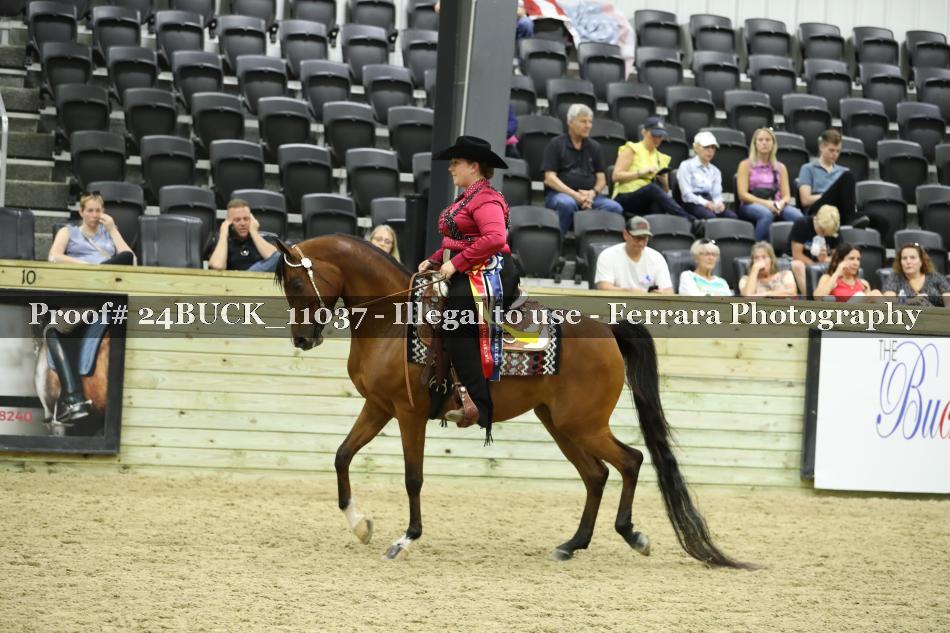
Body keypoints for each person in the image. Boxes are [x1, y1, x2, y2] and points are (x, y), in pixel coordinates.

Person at [417, 136, 519, 442]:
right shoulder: (468, 198)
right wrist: (435, 259)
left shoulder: (486, 199)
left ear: (474, 166)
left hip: (491, 272)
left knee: (456, 325)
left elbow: (494, 239)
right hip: (470, 270)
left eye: (455, 163)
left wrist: (456, 264)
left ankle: (478, 404)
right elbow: (459, 239)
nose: (450, 168)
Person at [542, 103, 623, 233]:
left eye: (590, 122)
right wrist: (575, 195)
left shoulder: (595, 147)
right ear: (570, 122)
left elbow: (602, 179)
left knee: (614, 208)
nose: (588, 126)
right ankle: (558, 240)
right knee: (566, 204)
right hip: (560, 194)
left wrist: (592, 193)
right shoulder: (556, 144)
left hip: (589, 197)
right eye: (583, 121)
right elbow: (549, 178)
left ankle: (592, 240)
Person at [611, 116, 689, 219]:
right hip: (626, 196)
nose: (657, 139)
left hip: (647, 199)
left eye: (660, 136)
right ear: (644, 132)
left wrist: (664, 182)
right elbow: (616, 176)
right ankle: (689, 219)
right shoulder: (632, 149)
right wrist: (640, 173)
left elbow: (664, 192)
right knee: (652, 188)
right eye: (654, 135)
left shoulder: (661, 158)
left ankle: (661, 227)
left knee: (658, 201)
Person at [736, 127, 804, 241]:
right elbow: (742, 195)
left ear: (773, 144)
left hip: (776, 204)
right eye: (760, 140)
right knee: (766, 214)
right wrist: (767, 204)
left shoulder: (781, 167)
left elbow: (786, 196)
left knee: (799, 217)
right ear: (755, 144)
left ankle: (794, 248)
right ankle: (758, 248)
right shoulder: (745, 165)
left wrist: (779, 205)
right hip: (751, 204)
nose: (764, 143)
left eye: (768, 140)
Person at [798, 129, 867, 227]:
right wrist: (827, 195)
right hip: (818, 210)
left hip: (839, 210)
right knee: (848, 176)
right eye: (831, 150)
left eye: (838, 151)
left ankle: (850, 218)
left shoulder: (843, 171)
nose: (835, 154)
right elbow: (805, 200)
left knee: (878, 220)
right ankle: (850, 218)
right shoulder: (808, 168)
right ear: (821, 147)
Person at [48, 193, 136, 266]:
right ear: (81, 212)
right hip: (81, 273)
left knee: (127, 255)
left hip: (107, 274)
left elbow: (133, 261)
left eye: (98, 210)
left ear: (103, 211)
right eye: (90, 211)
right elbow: (53, 257)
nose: (94, 215)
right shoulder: (67, 231)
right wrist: (85, 265)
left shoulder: (110, 231)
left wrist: (112, 230)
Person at [594, 215, 674, 294]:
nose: (641, 243)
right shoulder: (608, 255)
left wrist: (660, 293)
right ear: (625, 234)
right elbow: (604, 288)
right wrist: (630, 292)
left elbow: (669, 291)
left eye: (644, 238)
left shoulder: (657, 257)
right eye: (637, 238)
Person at [676, 131, 737, 220]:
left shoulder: (716, 171)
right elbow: (686, 194)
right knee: (711, 218)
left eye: (713, 147)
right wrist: (705, 203)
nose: (710, 150)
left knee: (732, 217)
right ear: (696, 148)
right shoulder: (686, 166)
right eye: (706, 147)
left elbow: (716, 195)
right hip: (692, 203)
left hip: (709, 202)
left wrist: (719, 203)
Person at [208, 199, 280, 273]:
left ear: (252, 220)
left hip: (259, 280)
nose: (242, 223)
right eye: (237, 220)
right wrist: (223, 234)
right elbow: (217, 266)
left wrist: (254, 232)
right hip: (233, 280)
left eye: (246, 219)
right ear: (229, 222)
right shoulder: (222, 242)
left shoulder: (264, 238)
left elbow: (276, 260)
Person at [788, 204, 841, 296]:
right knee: (797, 265)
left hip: (823, 262)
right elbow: (797, 255)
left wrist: (825, 260)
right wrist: (815, 266)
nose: (824, 234)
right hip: (801, 261)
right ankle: (810, 298)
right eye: (822, 230)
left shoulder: (833, 229)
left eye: (827, 233)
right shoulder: (802, 224)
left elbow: (838, 257)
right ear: (817, 220)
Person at [882, 243, 950, 307]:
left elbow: (948, 300)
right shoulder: (895, 277)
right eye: (904, 258)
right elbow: (888, 300)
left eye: (912, 257)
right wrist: (911, 301)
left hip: (936, 314)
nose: (908, 262)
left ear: (921, 261)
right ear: (900, 262)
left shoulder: (936, 277)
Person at [813, 242, 883, 302]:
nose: (856, 263)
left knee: (885, 293)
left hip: (861, 312)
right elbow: (818, 298)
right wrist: (836, 273)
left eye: (858, 259)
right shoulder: (828, 278)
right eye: (851, 258)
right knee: (874, 294)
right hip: (841, 312)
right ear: (840, 261)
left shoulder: (863, 284)